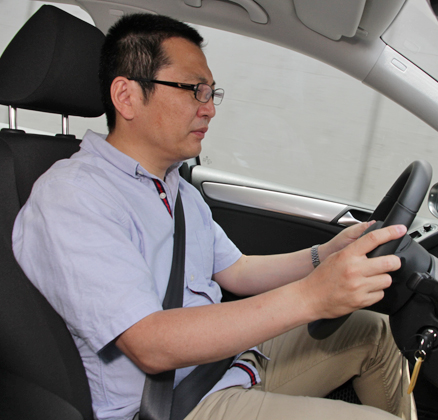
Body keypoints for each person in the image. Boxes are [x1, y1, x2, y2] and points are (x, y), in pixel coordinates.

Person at [12, 13, 415, 420]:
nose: (209, 110)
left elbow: (237, 270)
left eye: (211, 93)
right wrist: (312, 297)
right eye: (194, 90)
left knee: (374, 333)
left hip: (227, 364)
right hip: (174, 404)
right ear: (127, 96)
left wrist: (324, 255)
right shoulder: (74, 196)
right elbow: (150, 344)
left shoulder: (177, 189)